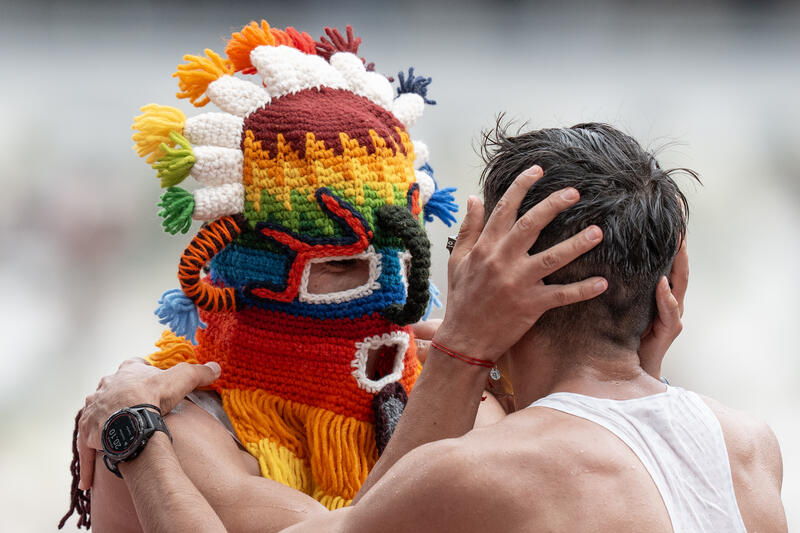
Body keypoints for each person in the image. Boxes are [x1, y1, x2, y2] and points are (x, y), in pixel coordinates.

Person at [75, 122, 784, 532]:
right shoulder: (749, 448)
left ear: (486, 280)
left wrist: (134, 431)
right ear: (668, 294)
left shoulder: (482, 471)